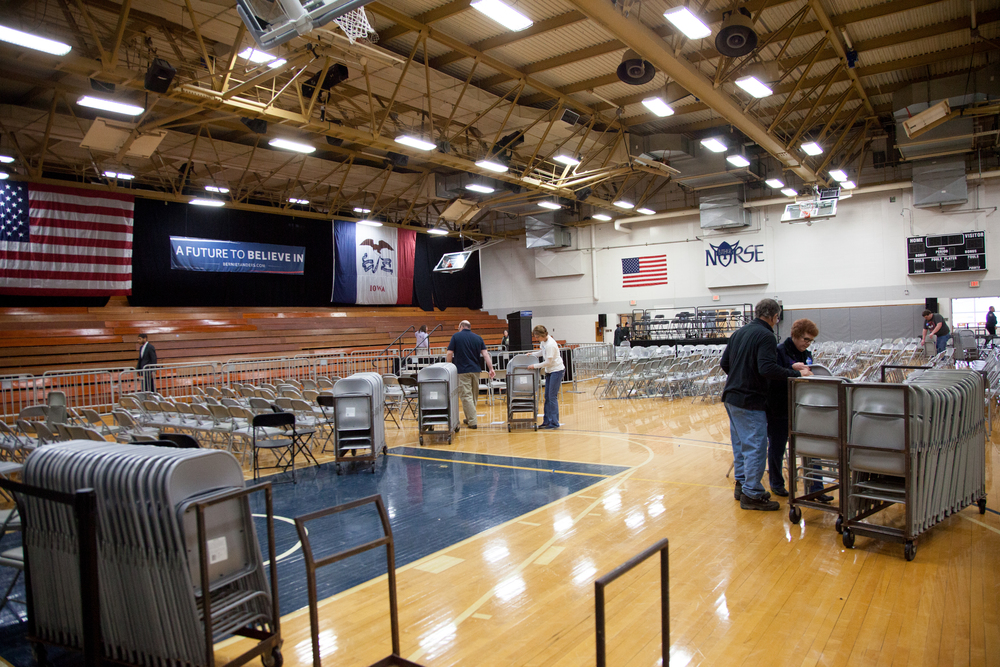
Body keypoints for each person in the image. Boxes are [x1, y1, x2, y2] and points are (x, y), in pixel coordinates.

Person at [721, 298, 812, 511]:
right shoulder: (766, 336)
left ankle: (742, 484)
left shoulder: (738, 333)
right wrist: (796, 373)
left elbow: (724, 363)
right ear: (774, 317)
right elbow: (767, 369)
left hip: (731, 397)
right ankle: (752, 494)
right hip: (749, 400)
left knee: (741, 445)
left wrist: (740, 378)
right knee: (755, 446)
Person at [765, 319, 832, 502]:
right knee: (777, 448)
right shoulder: (778, 351)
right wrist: (792, 371)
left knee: (812, 448)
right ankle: (777, 484)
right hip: (778, 408)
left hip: (801, 408)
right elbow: (774, 376)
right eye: (805, 339)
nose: (807, 343)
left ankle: (816, 488)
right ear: (794, 335)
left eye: (811, 340)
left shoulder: (807, 354)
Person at [446, 320, 495, 430]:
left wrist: (449, 367)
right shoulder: (478, 338)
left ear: (461, 326)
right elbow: (486, 354)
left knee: (466, 395)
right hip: (476, 370)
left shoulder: (456, 336)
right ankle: (469, 418)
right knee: (473, 395)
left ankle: (472, 421)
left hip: (462, 371)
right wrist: (491, 368)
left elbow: (449, 353)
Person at [529, 325, 565, 429]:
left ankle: (554, 422)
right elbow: (542, 352)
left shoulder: (551, 344)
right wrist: (532, 354)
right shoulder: (544, 342)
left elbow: (548, 362)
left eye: (537, 337)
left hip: (556, 370)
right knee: (547, 397)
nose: (536, 339)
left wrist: (534, 366)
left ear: (542, 335)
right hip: (550, 371)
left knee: (552, 397)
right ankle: (547, 421)